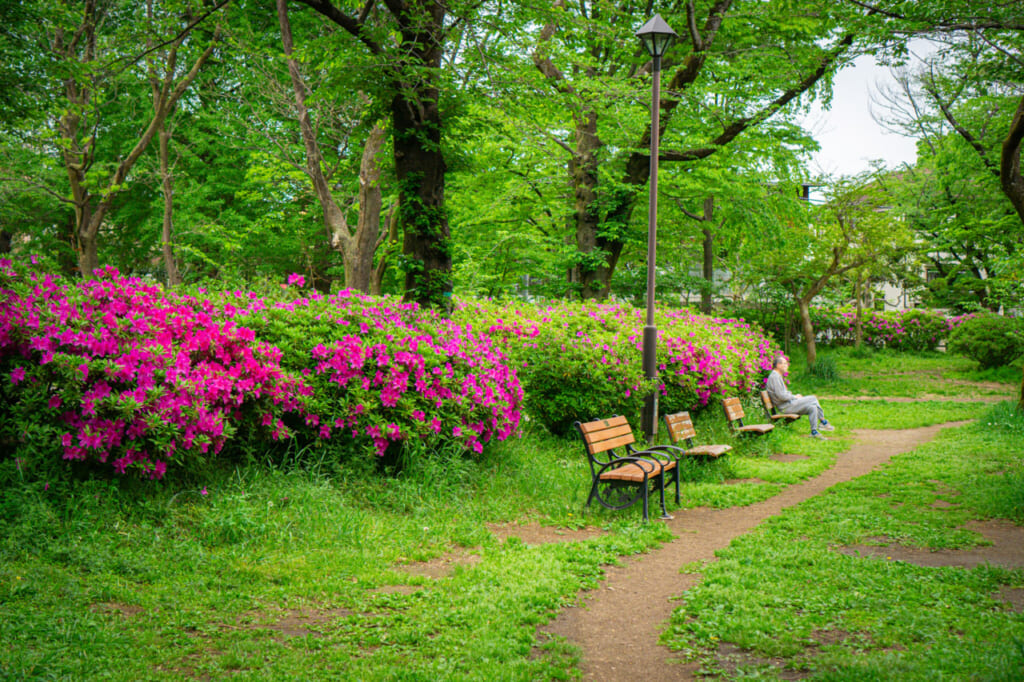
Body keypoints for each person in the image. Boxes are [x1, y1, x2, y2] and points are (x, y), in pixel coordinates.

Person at [765, 355, 834, 439]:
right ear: (778, 365)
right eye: (785, 364)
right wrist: (795, 397)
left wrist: (793, 396)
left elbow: (782, 394)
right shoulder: (774, 377)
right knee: (813, 398)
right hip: (785, 407)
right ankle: (823, 422)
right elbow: (781, 396)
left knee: (812, 407)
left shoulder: (776, 376)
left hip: (788, 404)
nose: (787, 366)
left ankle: (814, 432)